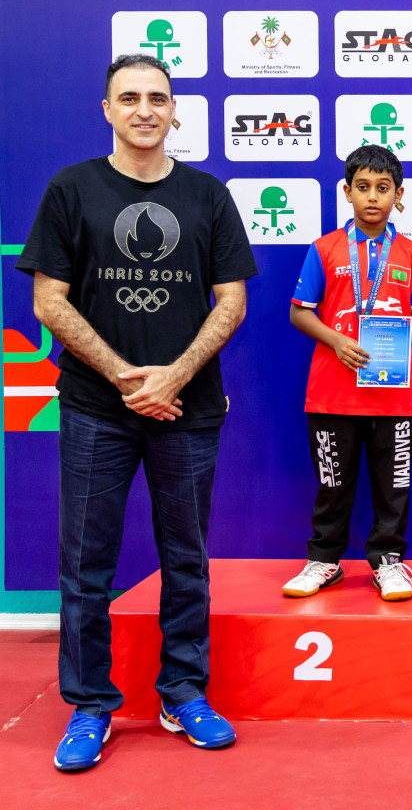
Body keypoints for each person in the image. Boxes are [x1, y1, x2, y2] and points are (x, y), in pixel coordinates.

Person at [19, 54, 257, 770]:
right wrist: (127, 378)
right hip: (97, 410)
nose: (144, 109)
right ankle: (90, 704)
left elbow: (232, 302)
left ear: (175, 110)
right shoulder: (72, 189)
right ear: (107, 109)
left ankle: (183, 692)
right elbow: (48, 302)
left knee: (186, 559)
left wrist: (173, 377)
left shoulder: (207, 195)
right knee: (85, 565)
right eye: (129, 98)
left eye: (157, 97)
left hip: (188, 410)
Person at [282, 145, 412, 602]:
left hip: (394, 396)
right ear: (347, 192)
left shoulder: (411, 253)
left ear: (398, 196)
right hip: (332, 395)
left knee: (393, 487)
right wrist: (335, 340)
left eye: (383, 188)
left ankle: (389, 563)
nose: (372, 197)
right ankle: (325, 561)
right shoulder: (325, 249)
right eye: (363, 187)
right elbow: (299, 312)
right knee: (332, 485)